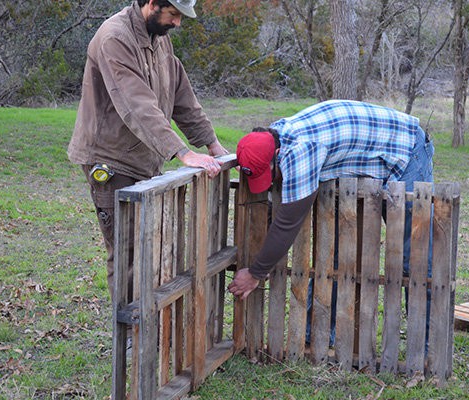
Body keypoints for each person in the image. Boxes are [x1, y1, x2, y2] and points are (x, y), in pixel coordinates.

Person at [227, 99, 434, 344]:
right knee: (334, 255)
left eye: (268, 175)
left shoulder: (300, 151)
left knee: (415, 257)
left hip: (405, 150)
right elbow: (276, 206)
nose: (270, 182)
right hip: (365, 155)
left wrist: (256, 272)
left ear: (277, 155)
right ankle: (322, 337)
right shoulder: (274, 137)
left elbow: (288, 222)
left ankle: (425, 347)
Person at [68, 0, 228, 302]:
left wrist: (210, 142)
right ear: (152, 4)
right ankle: (128, 337)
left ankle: (147, 325)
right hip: (111, 160)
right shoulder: (115, 38)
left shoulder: (159, 40)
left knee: (150, 244)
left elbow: (181, 95)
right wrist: (182, 152)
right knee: (127, 250)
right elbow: (137, 104)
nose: (177, 24)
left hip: (143, 159)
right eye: (174, 14)